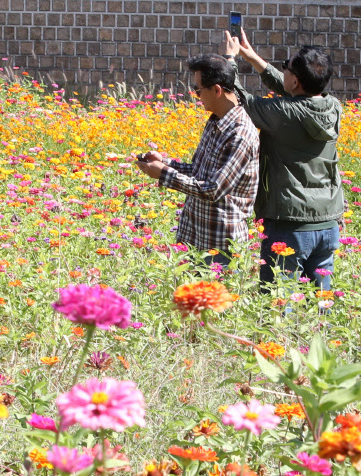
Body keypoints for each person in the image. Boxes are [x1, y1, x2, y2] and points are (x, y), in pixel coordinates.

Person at [224, 32, 343, 291]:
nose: (283, 71)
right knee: (321, 304)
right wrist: (254, 58)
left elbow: (240, 99)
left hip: (289, 225)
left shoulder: (283, 113)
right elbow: (294, 91)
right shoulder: (333, 107)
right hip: (327, 224)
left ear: (296, 80)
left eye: (285, 67)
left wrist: (230, 60)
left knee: (278, 305)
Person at [136, 54, 259, 265]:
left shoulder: (240, 133)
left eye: (198, 90)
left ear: (217, 90)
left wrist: (163, 174)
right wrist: (165, 162)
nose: (196, 96)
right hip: (195, 236)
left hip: (220, 247)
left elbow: (213, 189)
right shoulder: (216, 121)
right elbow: (198, 171)